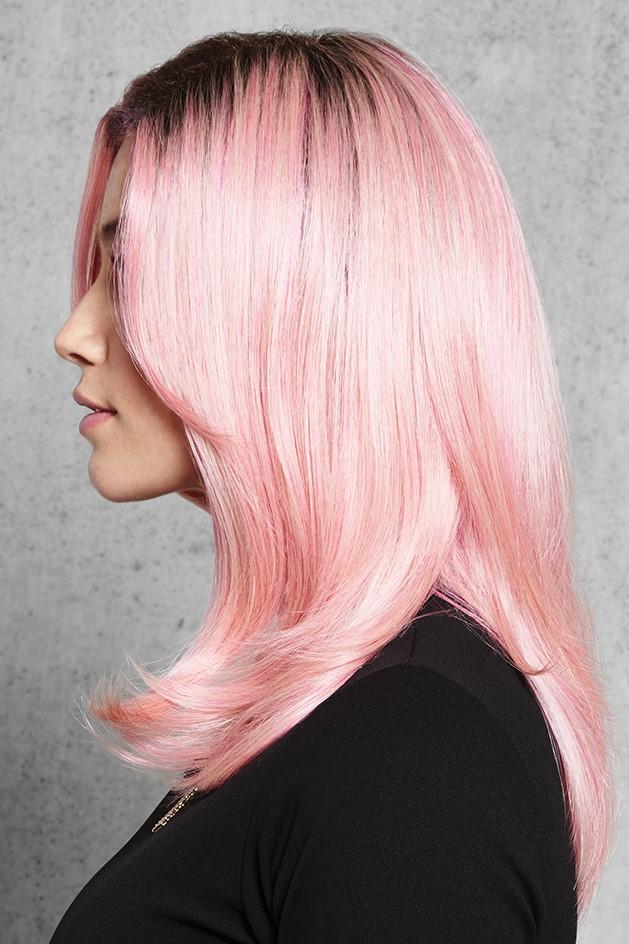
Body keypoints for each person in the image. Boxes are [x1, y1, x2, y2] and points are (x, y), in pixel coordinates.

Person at [51, 28, 616, 942]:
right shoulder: (358, 711)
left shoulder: (412, 749)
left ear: (292, 306)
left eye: (127, 272)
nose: (74, 333)